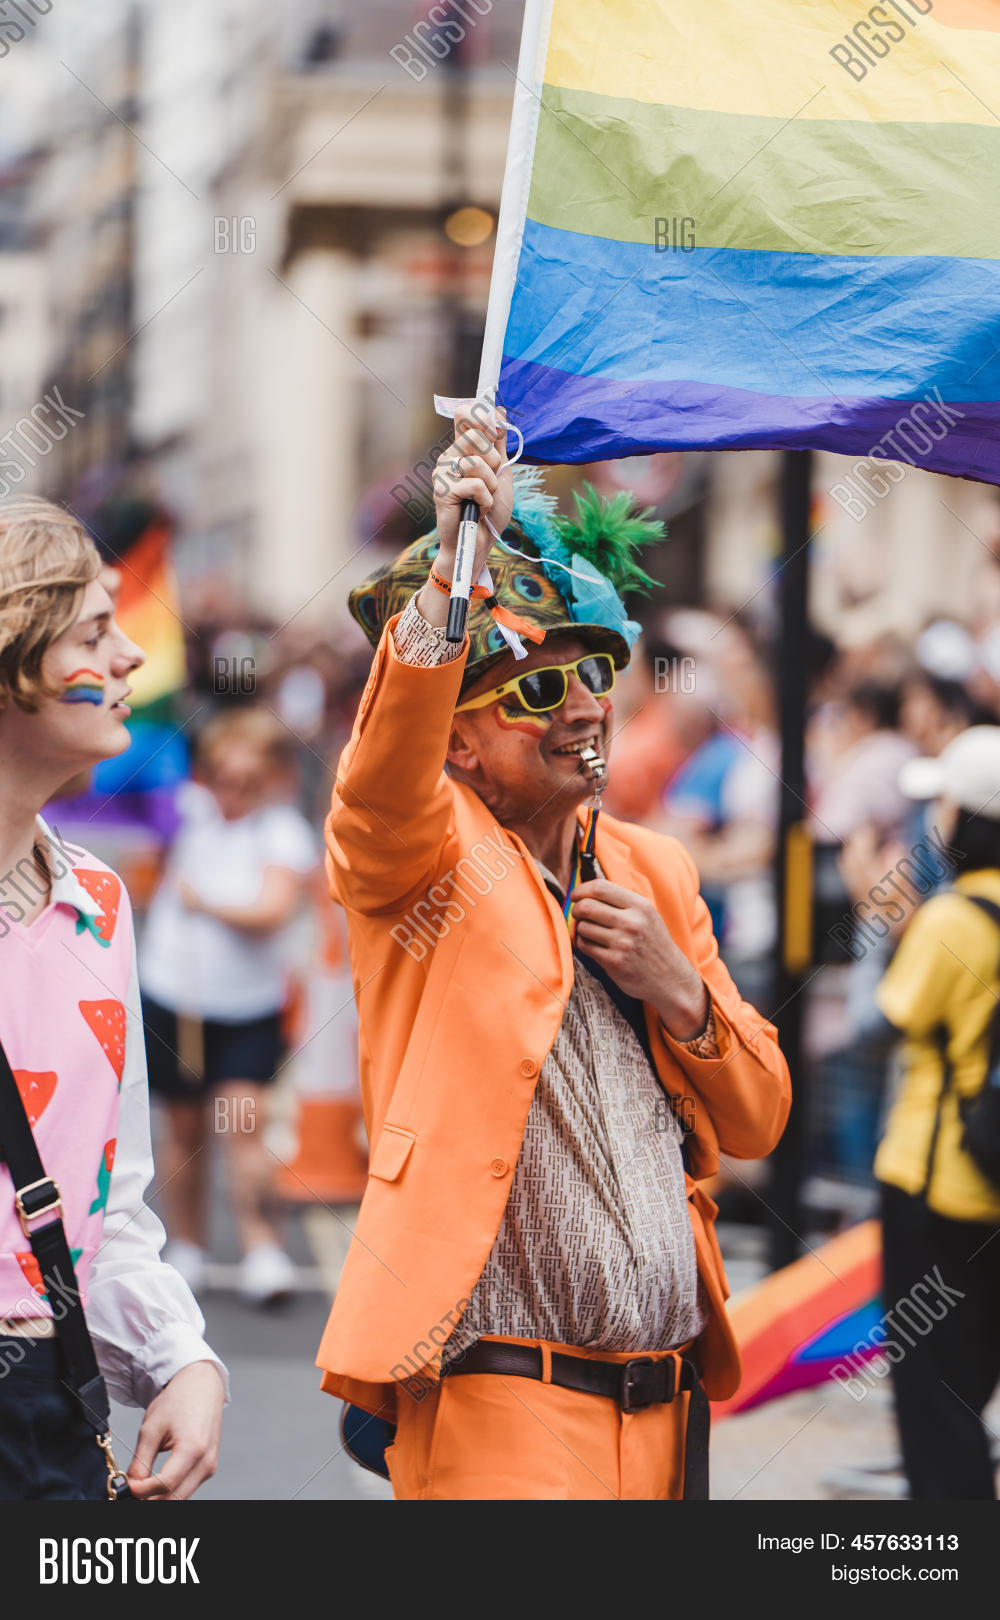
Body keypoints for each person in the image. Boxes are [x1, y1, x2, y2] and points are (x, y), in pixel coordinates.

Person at [314, 411, 790, 1500]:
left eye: (599, 677)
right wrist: (451, 571)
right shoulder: (422, 860)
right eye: (537, 689)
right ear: (457, 744)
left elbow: (760, 1120)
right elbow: (377, 792)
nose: (584, 709)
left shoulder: (656, 868)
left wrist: (680, 993)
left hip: (668, 1413)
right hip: (502, 1408)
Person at [0, 495, 226, 1500]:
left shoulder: (96, 900)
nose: (132, 656)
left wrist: (182, 1358)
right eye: (95, 631)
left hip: (52, 1411)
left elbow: (109, 1203)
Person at [139, 707, 318, 1306]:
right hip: (174, 996)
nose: (230, 791)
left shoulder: (282, 833)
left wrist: (204, 900)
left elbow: (270, 912)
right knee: (183, 1129)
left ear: (269, 777)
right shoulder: (187, 813)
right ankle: (186, 1245)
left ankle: (261, 1248)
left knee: (241, 1125)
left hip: (245, 1011)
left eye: (245, 780)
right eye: (220, 776)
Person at [874, 726, 1000, 1498]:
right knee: (974, 1379)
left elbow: (886, 1019)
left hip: (935, 1181)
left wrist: (891, 927)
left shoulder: (952, 920)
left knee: (934, 1399)